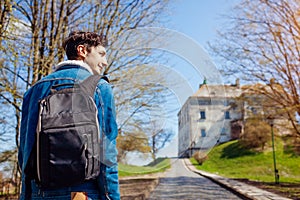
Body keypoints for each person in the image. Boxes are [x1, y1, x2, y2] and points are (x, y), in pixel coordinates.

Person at [18, 31, 120, 200]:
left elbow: (25, 153)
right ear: (82, 50)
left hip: (40, 192)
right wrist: (111, 196)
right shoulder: (99, 87)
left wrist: (25, 195)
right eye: (101, 54)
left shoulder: (34, 90)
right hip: (85, 192)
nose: (105, 62)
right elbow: (107, 153)